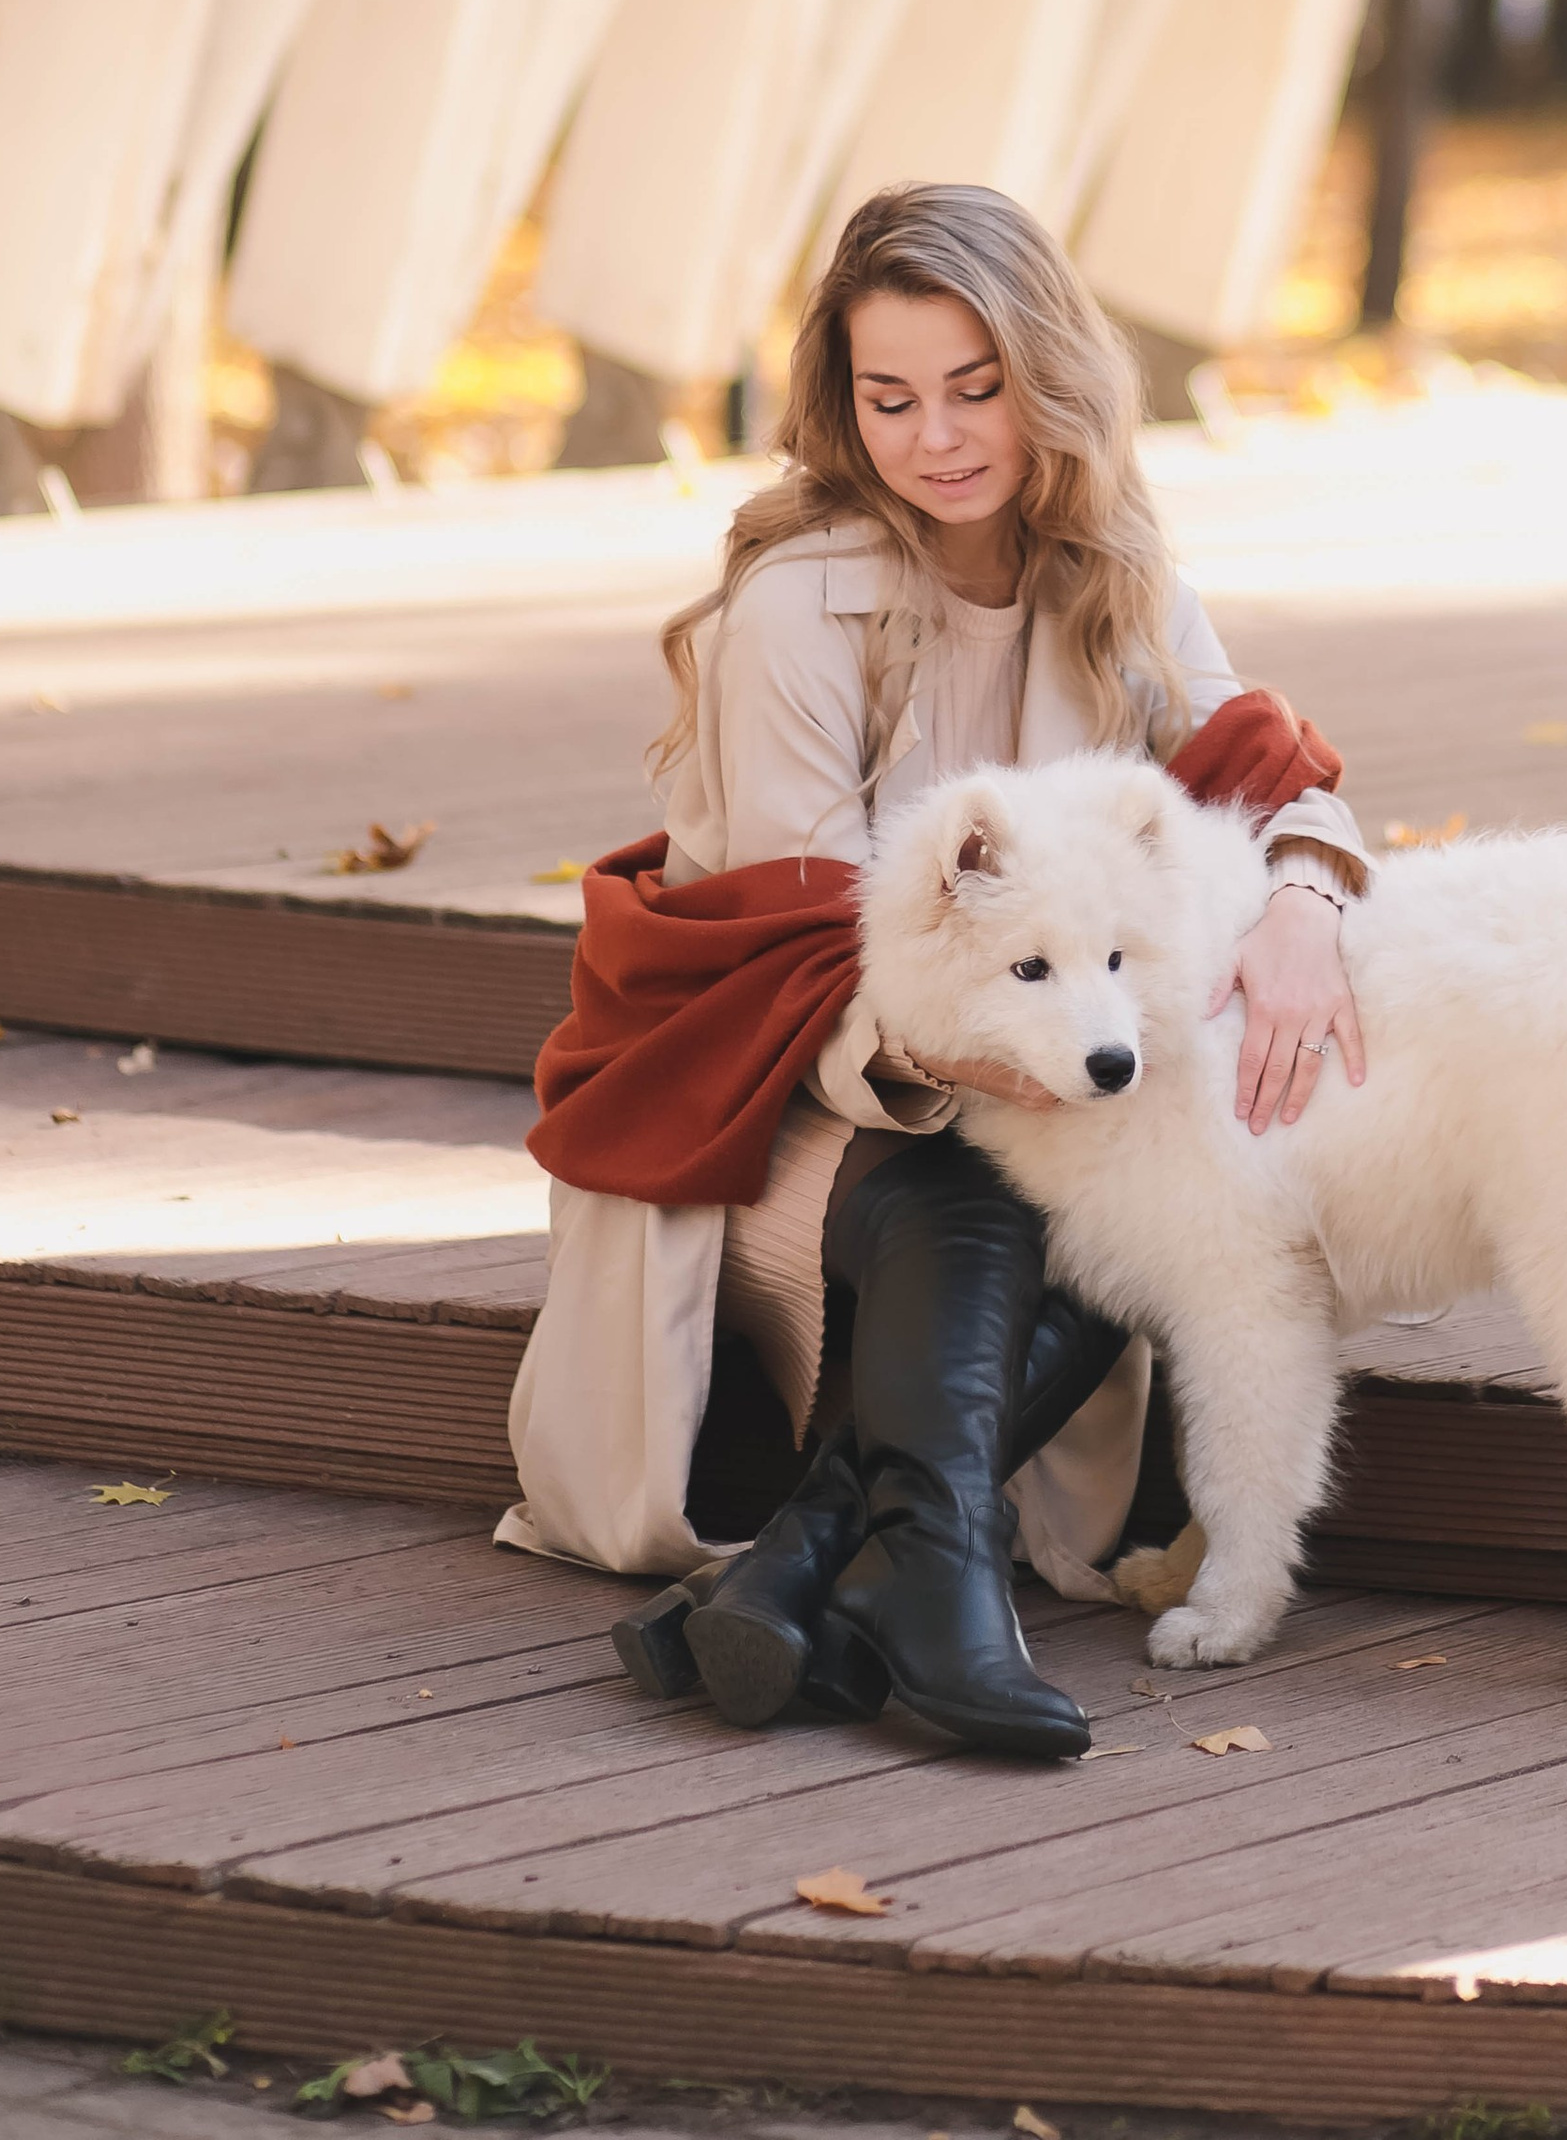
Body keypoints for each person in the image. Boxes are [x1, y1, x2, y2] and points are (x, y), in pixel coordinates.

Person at [497, 182, 1370, 1761]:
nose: (939, 437)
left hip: (1026, 1060)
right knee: (1014, 1180)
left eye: (978, 388)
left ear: (1051, 381)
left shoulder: (1116, 575)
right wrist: (1048, 1054)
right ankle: (929, 1584)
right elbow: (805, 952)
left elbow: (1268, 774)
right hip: (781, 1085)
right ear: (844, 404)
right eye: (890, 398)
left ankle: (824, 1567)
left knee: (1130, 1163)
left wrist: (1304, 898)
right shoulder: (794, 609)